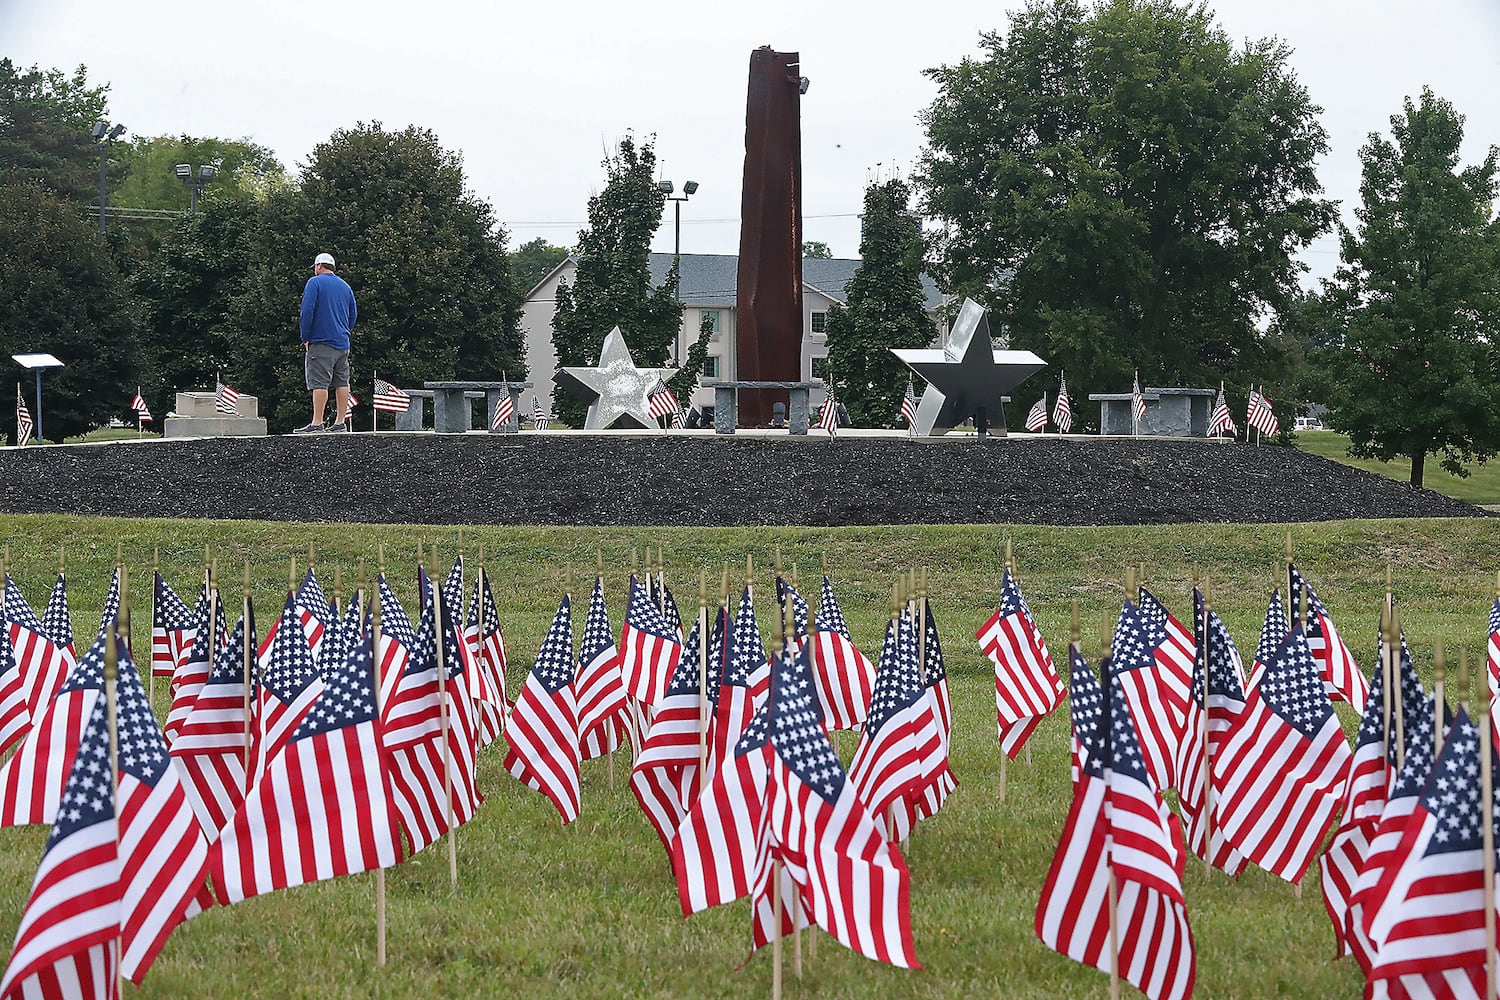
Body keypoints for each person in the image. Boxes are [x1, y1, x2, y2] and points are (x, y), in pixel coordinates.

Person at [293, 251, 357, 433]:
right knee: (342, 382)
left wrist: (305, 337)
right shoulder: (345, 286)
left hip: (321, 341)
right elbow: (353, 314)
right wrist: (345, 331)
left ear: (319, 266)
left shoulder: (315, 283)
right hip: (342, 342)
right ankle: (340, 423)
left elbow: (307, 311)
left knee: (319, 382)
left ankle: (317, 423)